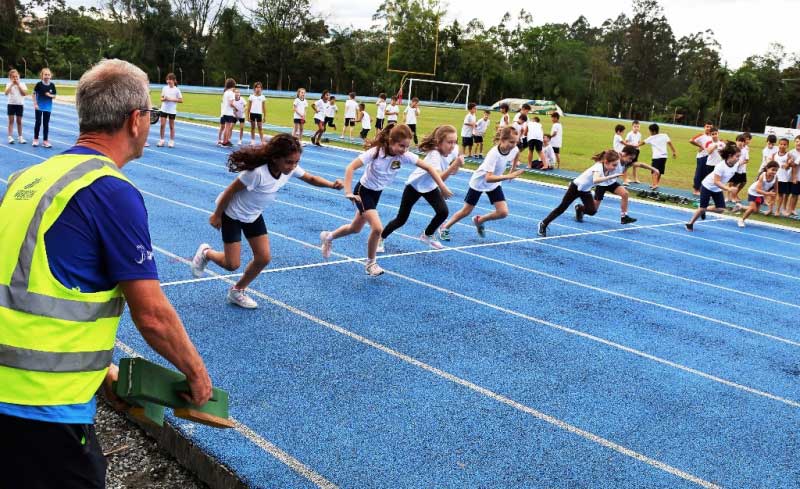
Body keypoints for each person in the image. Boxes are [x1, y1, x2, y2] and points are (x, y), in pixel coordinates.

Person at [0, 58, 212, 489]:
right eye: (150, 114)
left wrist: (103, 372)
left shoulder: (28, 177)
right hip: (41, 408)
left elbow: (37, 286)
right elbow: (151, 315)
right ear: (135, 120)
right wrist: (196, 374)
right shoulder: (111, 190)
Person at [191, 134, 343, 308]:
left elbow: (311, 178)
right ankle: (206, 253)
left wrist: (331, 185)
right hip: (232, 214)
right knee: (232, 264)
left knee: (263, 258)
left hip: (253, 216)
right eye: (289, 162)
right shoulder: (255, 173)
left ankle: (237, 290)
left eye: (296, 162)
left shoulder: (290, 169)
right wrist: (217, 215)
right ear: (275, 158)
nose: (293, 166)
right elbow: (229, 191)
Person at [318, 124, 453, 276]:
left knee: (355, 228)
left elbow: (429, 168)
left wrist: (441, 186)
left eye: (407, 146)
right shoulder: (376, 152)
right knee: (377, 228)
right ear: (391, 141)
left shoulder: (404, 156)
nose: (404, 150)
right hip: (363, 192)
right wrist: (348, 192)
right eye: (401, 146)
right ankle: (370, 264)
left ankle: (328, 236)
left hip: (376, 193)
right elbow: (350, 167)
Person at [381, 125, 463, 250]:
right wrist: (453, 167)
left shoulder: (454, 150)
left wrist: (457, 165)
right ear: (438, 142)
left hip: (430, 186)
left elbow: (453, 171)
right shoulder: (434, 154)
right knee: (401, 219)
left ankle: (427, 235)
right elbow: (439, 176)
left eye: (454, 142)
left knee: (443, 212)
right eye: (449, 142)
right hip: (415, 185)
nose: (452, 146)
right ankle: (380, 238)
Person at [438, 126, 524, 241]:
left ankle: (480, 220)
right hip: (479, 182)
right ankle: (445, 227)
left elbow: (516, 153)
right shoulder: (493, 154)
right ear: (502, 140)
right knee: (466, 211)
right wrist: (509, 176)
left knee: (503, 212)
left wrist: (512, 169)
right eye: (511, 142)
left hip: (494, 183)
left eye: (516, 142)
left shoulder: (514, 149)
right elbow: (488, 178)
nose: (514, 145)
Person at [537, 150, 624, 237]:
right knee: (561, 208)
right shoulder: (598, 167)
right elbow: (596, 180)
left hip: (585, 190)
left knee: (592, 211)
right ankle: (543, 223)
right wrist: (610, 177)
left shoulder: (607, 168)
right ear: (606, 162)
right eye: (614, 165)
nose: (615, 167)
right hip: (575, 187)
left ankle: (579, 208)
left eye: (616, 165)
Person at [592, 145, 660, 225]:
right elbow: (606, 157)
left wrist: (654, 169)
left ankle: (624, 217)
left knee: (625, 193)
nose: (630, 160)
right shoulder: (615, 159)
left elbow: (641, 164)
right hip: (602, 184)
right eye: (630, 158)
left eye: (632, 159)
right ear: (624, 154)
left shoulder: (626, 163)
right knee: (593, 210)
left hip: (611, 183)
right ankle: (580, 209)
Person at [685, 142, 741, 231]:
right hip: (707, 186)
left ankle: (704, 210)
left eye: (739, 156)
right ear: (730, 156)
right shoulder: (720, 166)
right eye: (737, 156)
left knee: (721, 209)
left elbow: (729, 177)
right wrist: (728, 189)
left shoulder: (736, 165)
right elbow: (716, 181)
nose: (738, 159)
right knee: (702, 208)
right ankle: (690, 224)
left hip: (717, 188)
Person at [738, 161, 778, 227]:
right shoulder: (762, 176)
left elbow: (776, 190)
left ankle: (740, 207)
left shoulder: (775, 177)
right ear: (767, 168)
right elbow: (758, 190)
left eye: (776, 170)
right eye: (773, 170)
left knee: (756, 211)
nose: (774, 172)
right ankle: (741, 220)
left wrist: (773, 199)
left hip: (761, 194)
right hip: (753, 192)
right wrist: (768, 194)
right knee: (752, 208)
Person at [642, 123, 677, 190]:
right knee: (659, 171)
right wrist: (674, 152)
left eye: (650, 131)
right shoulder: (664, 135)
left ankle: (654, 185)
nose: (649, 132)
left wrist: (635, 145)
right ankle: (656, 183)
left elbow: (642, 143)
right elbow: (670, 144)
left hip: (656, 157)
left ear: (654, 131)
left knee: (654, 171)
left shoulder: (651, 138)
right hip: (664, 157)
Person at [32, 67, 57, 148]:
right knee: (38, 123)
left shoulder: (52, 85)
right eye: (45, 74)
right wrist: (35, 104)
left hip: (48, 107)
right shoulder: (39, 84)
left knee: (46, 124)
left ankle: (45, 141)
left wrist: (50, 95)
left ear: (51, 76)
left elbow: (54, 96)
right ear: (42, 76)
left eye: (48, 74)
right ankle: (35, 139)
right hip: (39, 106)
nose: (47, 76)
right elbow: (34, 94)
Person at [157, 72, 183, 148]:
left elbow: (181, 100)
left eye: (170, 79)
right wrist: (164, 99)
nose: (168, 81)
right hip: (164, 109)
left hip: (172, 110)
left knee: (171, 126)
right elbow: (161, 98)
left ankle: (171, 141)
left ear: (174, 80)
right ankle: (161, 140)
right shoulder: (164, 88)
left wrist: (171, 99)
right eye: (167, 79)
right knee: (162, 125)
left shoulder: (177, 90)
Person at [689, 121, 714, 195]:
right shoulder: (701, 135)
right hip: (702, 157)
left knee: (706, 174)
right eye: (707, 126)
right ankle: (696, 189)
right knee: (699, 173)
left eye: (710, 127)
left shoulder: (713, 137)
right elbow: (691, 140)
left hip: (710, 158)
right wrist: (700, 146)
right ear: (704, 127)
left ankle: (702, 189)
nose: (708, 128)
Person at [5, 68, 27, 144]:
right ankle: (10, 137)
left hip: (20, 105)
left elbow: (24, 94)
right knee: (11, 121)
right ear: (10, 78)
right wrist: (11, 85)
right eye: (13, 77)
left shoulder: (22, 84)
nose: (15, 78)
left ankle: (20, 137)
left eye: (16, 76)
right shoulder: (8, 84)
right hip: (11, 104)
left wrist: (18, 85)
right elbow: (6, 93)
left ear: (19, 76)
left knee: (19, 121)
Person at [728, 134, 749, 207]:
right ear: (736, 141)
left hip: (740, 170)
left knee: (738, 183)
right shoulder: (733, 149)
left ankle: (733, 196)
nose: (740, 142)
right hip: (733, 169)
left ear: (744, 142)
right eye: (739, 141)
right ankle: (729, 197)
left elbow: (747, 160)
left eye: (742, 141)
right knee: (732, 183)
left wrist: (741, 163)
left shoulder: (745, 150)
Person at [774, 137, 792, 216]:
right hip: (774, 177)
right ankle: (771, 208)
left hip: (783, 178)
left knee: (781, 194)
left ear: (787, 146)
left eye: (784, 145)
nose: (782, 146)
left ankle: (778, 210)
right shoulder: (774, 155)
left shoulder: (788, 155)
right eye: (781, 144)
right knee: (772, 193)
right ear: (778, 144)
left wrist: (787, 165)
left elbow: (789, 166)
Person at [217, 78, 237, 147]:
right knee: (227, 127)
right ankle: (225, 141)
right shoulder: (231, 93)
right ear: (233, 85)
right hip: (229, 112)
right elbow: (231, 104)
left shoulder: (225, 92)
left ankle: (225, 140)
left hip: (224, 112)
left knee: (226, 127)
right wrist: (236, 108)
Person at [246, 81, 266, 146]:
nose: (258, 89)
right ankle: (252, 140)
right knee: (253, 127)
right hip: (252, 113)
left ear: (261, 89)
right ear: (254, 88)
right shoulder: (251, 96)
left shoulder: (263, 97)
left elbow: (264, 108)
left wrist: (264, 116)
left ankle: (262, 141)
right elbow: (249, 107)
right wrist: (247, 116)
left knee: (260, 128)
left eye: (259, 87)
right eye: (257, 87)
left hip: (259, 114)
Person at [623, 120, 642, 185]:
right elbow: (626, 142)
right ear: (632, 127)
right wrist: (632, 145)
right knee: (626, 165)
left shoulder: (639, 134)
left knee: (635, 165)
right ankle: (625, 179)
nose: (636, 128)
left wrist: (638, 147)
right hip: (630, 151)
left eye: (638, 126)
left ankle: (635, 179)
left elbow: (639, 142)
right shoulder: (629, 134)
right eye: (635, 126)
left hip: (636, 151)